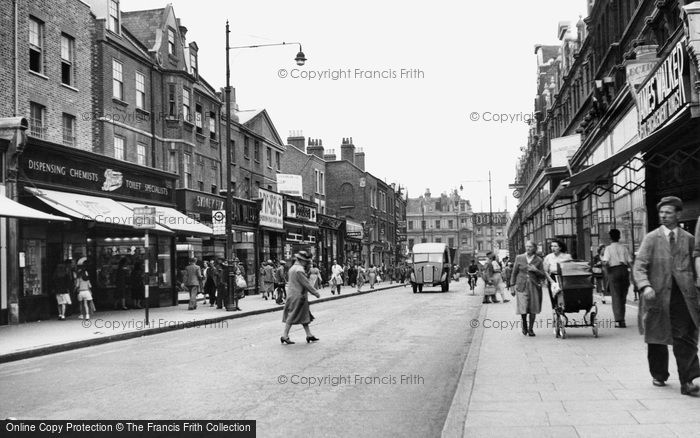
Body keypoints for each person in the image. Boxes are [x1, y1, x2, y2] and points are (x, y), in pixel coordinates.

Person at [634, 196, 700, 396]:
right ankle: (659, 373)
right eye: (661, 212)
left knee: (685, 337)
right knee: (656, 337)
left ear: (678, 214)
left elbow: (695, 265)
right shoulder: (651, 238)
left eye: (668, 212)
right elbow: (639, 266)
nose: (663, 216)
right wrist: (645, 286)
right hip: (657, 296)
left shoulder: (689, 239)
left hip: (682, 297)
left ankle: (688, 380)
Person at [281, 250, 321, 344]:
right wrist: (315, 293)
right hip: (299, 296)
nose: (306, 263)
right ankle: (284, 335)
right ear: (301, 260)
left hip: (293, 294)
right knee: (292, 315)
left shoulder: (292, 268)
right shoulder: (299, 270)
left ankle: (309, 335)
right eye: (305, 261)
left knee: (304, 315)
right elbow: (306, 283)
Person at [510, 240, 546, 336]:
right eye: (527, 246)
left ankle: (531, 329)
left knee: (533, 307)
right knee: (523, 307)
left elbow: (543, 275)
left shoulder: (539, 260)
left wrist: (536, 270)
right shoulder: (519, 258)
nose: (528, 248)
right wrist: (512, 286)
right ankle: (524, 325)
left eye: (530, 247)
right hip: (521, 285)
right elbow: (514, 273)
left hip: (534, 286)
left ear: (534, 248)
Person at [603, 229, 634, 328]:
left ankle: (619, 320)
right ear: (619, 237)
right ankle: (623, 320)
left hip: (614, 271)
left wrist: (605, 268)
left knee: (615, 296)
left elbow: (606, 261)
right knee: (623, 296)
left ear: (610, 238)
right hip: (624, 270)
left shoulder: (608, 248)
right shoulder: (624, 248)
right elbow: (630, 261)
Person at [543, 239, 572, 309]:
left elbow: (571, 267)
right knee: (554, 295)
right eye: (552, 246)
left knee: (565, 295)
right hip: (553, 277)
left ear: (560, 247)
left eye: (555, 246)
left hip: (564, 277)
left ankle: (564, 307)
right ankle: (555, 311)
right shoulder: (548, 257)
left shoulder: (567, 256)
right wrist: (551, 281)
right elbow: (545, 271)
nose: (553, 248)